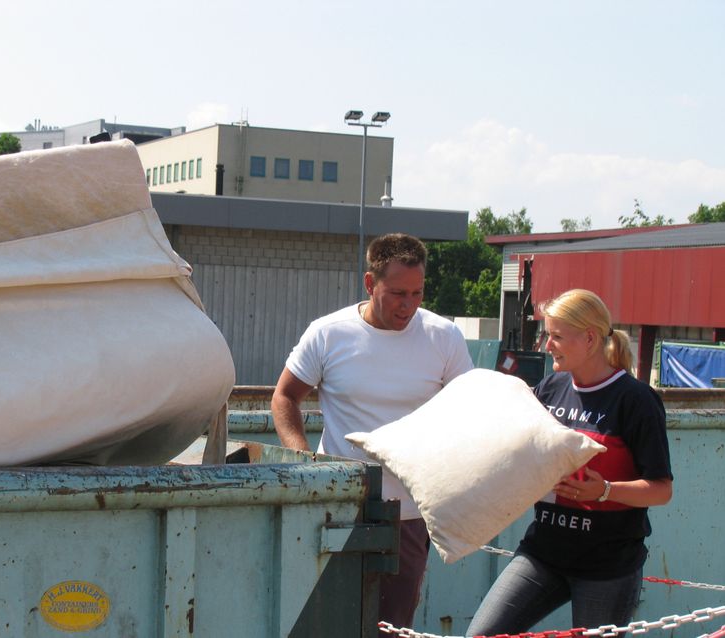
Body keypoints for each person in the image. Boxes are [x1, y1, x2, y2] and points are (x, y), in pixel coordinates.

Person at [271, 233, 473, 631]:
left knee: (392, 626)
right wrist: (306, 461)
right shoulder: (328, 333)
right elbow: (284, 397)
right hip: (338, 507)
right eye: (397, 293)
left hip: (409, 513)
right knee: (324, 622)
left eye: (417, 293)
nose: (409, 305)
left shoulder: (443, 336)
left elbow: (468, 409)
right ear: (369, 283)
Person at [466, 289, 673, 636]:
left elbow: (661, 490)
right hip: (542, 554)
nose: (547, 345)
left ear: (590, 338)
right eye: (548, 334)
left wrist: (603, 491)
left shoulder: (635, 400)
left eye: (556, 336)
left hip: (606, 567)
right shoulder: (549, 388)